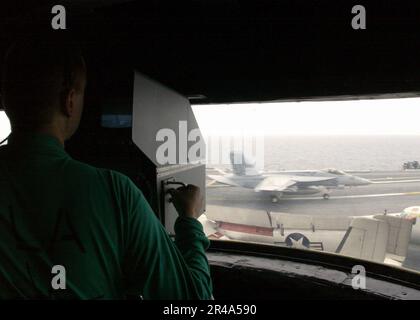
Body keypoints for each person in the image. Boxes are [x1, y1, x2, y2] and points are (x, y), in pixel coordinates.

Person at [0, 36, 212, 299]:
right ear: (69, 101)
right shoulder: (116, 193)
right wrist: (189, 220)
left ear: (6, 100)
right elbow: (194, 299)